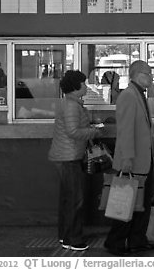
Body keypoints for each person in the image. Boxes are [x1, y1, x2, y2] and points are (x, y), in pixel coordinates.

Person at [104, 61, 154, 255]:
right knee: (125, 205)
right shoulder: (128, 96)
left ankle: (137, 240)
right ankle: (115, 242)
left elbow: (144, 130)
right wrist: (127, 159)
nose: (151, 77)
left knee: (140, 206)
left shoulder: (139, 95)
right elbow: (125, 131)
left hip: (144, 162)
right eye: (148, 74)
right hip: (132, 162)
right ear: (136, 74)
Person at [48, 70, 104, 251]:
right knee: (75, 200)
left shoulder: (71, 104)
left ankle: (65, 237)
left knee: (68, 199)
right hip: (68, 156)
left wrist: (90, 124)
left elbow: (74, 127)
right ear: (76, 87)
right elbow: (73, 132)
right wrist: (94, 131)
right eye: (84, 83)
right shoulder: (72, 106)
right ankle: (74, 239)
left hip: (66, 155)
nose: (86, 86)